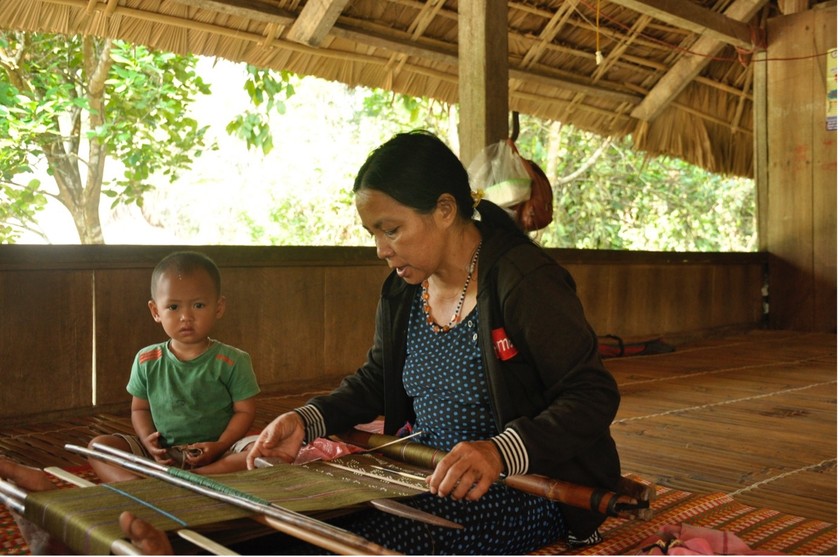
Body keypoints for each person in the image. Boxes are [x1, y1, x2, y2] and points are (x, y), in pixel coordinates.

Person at [245, 130, 623, 554]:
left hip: (530, 487)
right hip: (431, 475)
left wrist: (498, 452)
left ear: (445, 209)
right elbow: (376, 379)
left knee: (366, 543)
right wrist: (308, 418)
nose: (380, 249)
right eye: (374, 233)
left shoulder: (523, 282)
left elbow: (591, 395)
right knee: (281, 527)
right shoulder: (403, 290)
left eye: (391, 230)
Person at [88, 250, 261, 481]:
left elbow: (245, 411)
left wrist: (220, 445)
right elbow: (139, 409)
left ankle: (191, 479)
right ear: (155, 311)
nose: (186, 317)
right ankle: (141, 487)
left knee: (260, 452)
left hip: (219, 454)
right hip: (162, 455)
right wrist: (148, 440)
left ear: (218, 307)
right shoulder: (147, 360)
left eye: (198, 305)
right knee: (99, 447)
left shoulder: (232, 361)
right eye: (173, 307)